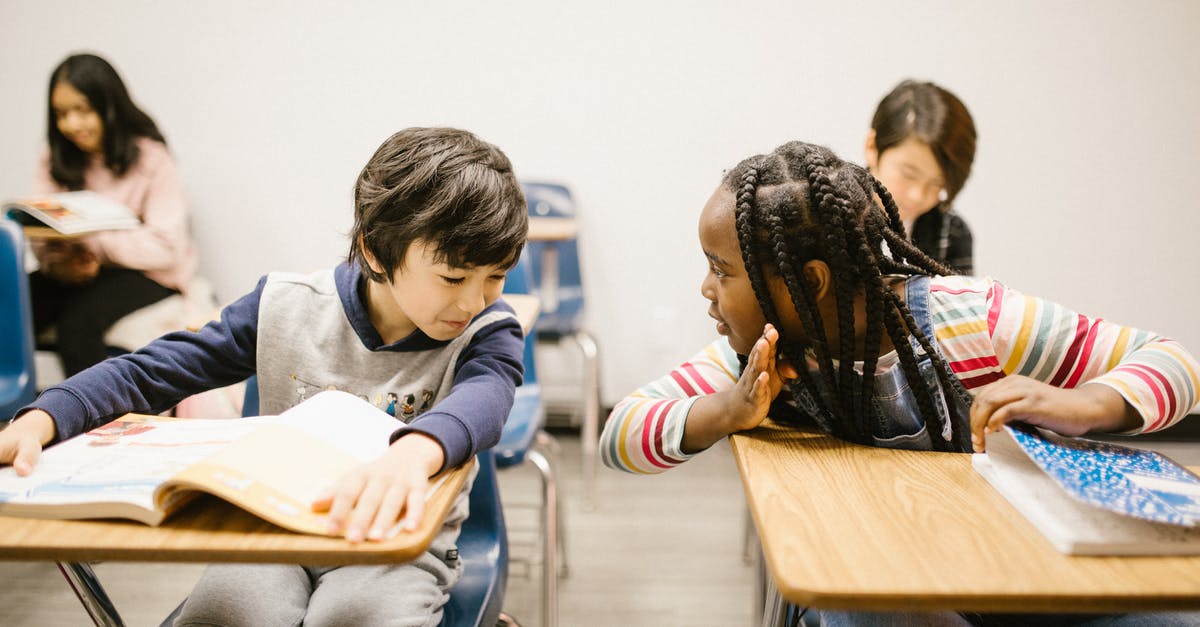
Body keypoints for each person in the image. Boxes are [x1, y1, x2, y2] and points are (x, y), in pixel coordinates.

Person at [599, 140, 1199, 625]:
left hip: (1033, 572)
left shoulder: (973, 320)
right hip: (908, 585)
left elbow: (1176, 363)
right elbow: (619, 433)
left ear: (807, 283)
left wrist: (1084, 403)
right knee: (851, 598)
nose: (706, 288)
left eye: (721, 270)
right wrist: (727, 411)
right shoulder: (759, 362)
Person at [0, 127, 529, 625]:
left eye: (496, 276)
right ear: (374, 250)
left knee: (354, 619)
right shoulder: (286, 306)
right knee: (223, 617)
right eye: (453, 277)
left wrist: (413, 453)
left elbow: (486, 397)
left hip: (399, 546)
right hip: (273, 537)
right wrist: (47, 415)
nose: (473, 299)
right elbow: (151, 371)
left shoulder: (487, 328)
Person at [30, 52, 198, 377]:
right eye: (61, 114)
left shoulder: (152, 159)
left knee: (78, 322)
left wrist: (94, 244)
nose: (70, 124)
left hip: (148, 273)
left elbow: (166, 247)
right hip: (77, 269)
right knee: (14, 302)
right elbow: (42, 229)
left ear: (109, 106)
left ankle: (98, 419)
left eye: (82, 110)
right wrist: (58, 264)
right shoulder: (54, 156)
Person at [865, 79, 976, 274]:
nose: (918, 195)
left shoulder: (951, 233)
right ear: (872, 148)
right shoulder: (830, 211)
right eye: (909, 174)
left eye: (937, 184)